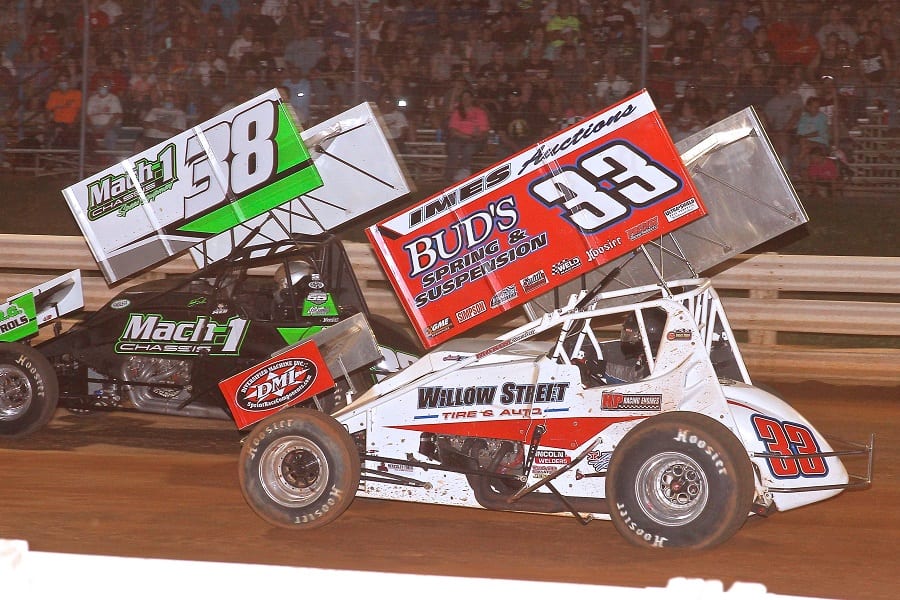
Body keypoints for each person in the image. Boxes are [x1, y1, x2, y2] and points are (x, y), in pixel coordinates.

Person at [443, 88, 489, 185]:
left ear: (472, 99)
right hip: (461, 138)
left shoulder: (479, 112)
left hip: (475, 140)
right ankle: (450, 175)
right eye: (463, 98)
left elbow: (483, 130)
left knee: (468, 148)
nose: (465, 100)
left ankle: (464, 172)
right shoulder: (457, 112)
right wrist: (468, 136)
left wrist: (475, 136)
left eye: (468, 97)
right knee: (453, 146)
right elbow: (452, 130)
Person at [46, 74, 82, 148]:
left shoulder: (77, 94)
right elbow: (48, 110)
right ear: (57, 83)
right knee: (51, 131)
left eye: (64, 80)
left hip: (72, 123)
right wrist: (48, 121)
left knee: (70, 132)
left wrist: (75, 122)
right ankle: (50, 151)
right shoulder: (54, 95)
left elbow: (80, 111)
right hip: (57, 123)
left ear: (69, 81)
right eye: (60, 81)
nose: (62, 83)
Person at [86, 81, 123, 152]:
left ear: (108, 87)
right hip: (95, 126)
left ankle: (110, 155)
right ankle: (92, 155)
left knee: (111, 134)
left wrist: (105, 128)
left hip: (111, 126)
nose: (102, 88)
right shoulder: (92, 99)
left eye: (105, 86)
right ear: (97, 88)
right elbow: (87, 115)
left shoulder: (114, 98)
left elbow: (116, 115)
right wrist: (92, 127)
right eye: (100, 86)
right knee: (87, 133)